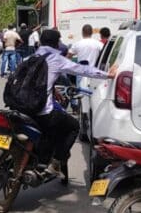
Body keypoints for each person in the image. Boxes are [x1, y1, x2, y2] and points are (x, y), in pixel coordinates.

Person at [34, 29, 116, 176]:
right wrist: (109, 75)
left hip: (22, 107)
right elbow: (82, 69)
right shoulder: (55, 59)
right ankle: (56, 163)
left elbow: (34, 81)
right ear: (56, 44)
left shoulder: (32, 57)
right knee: (73, 126)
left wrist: (52, 90)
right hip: (43, 111)